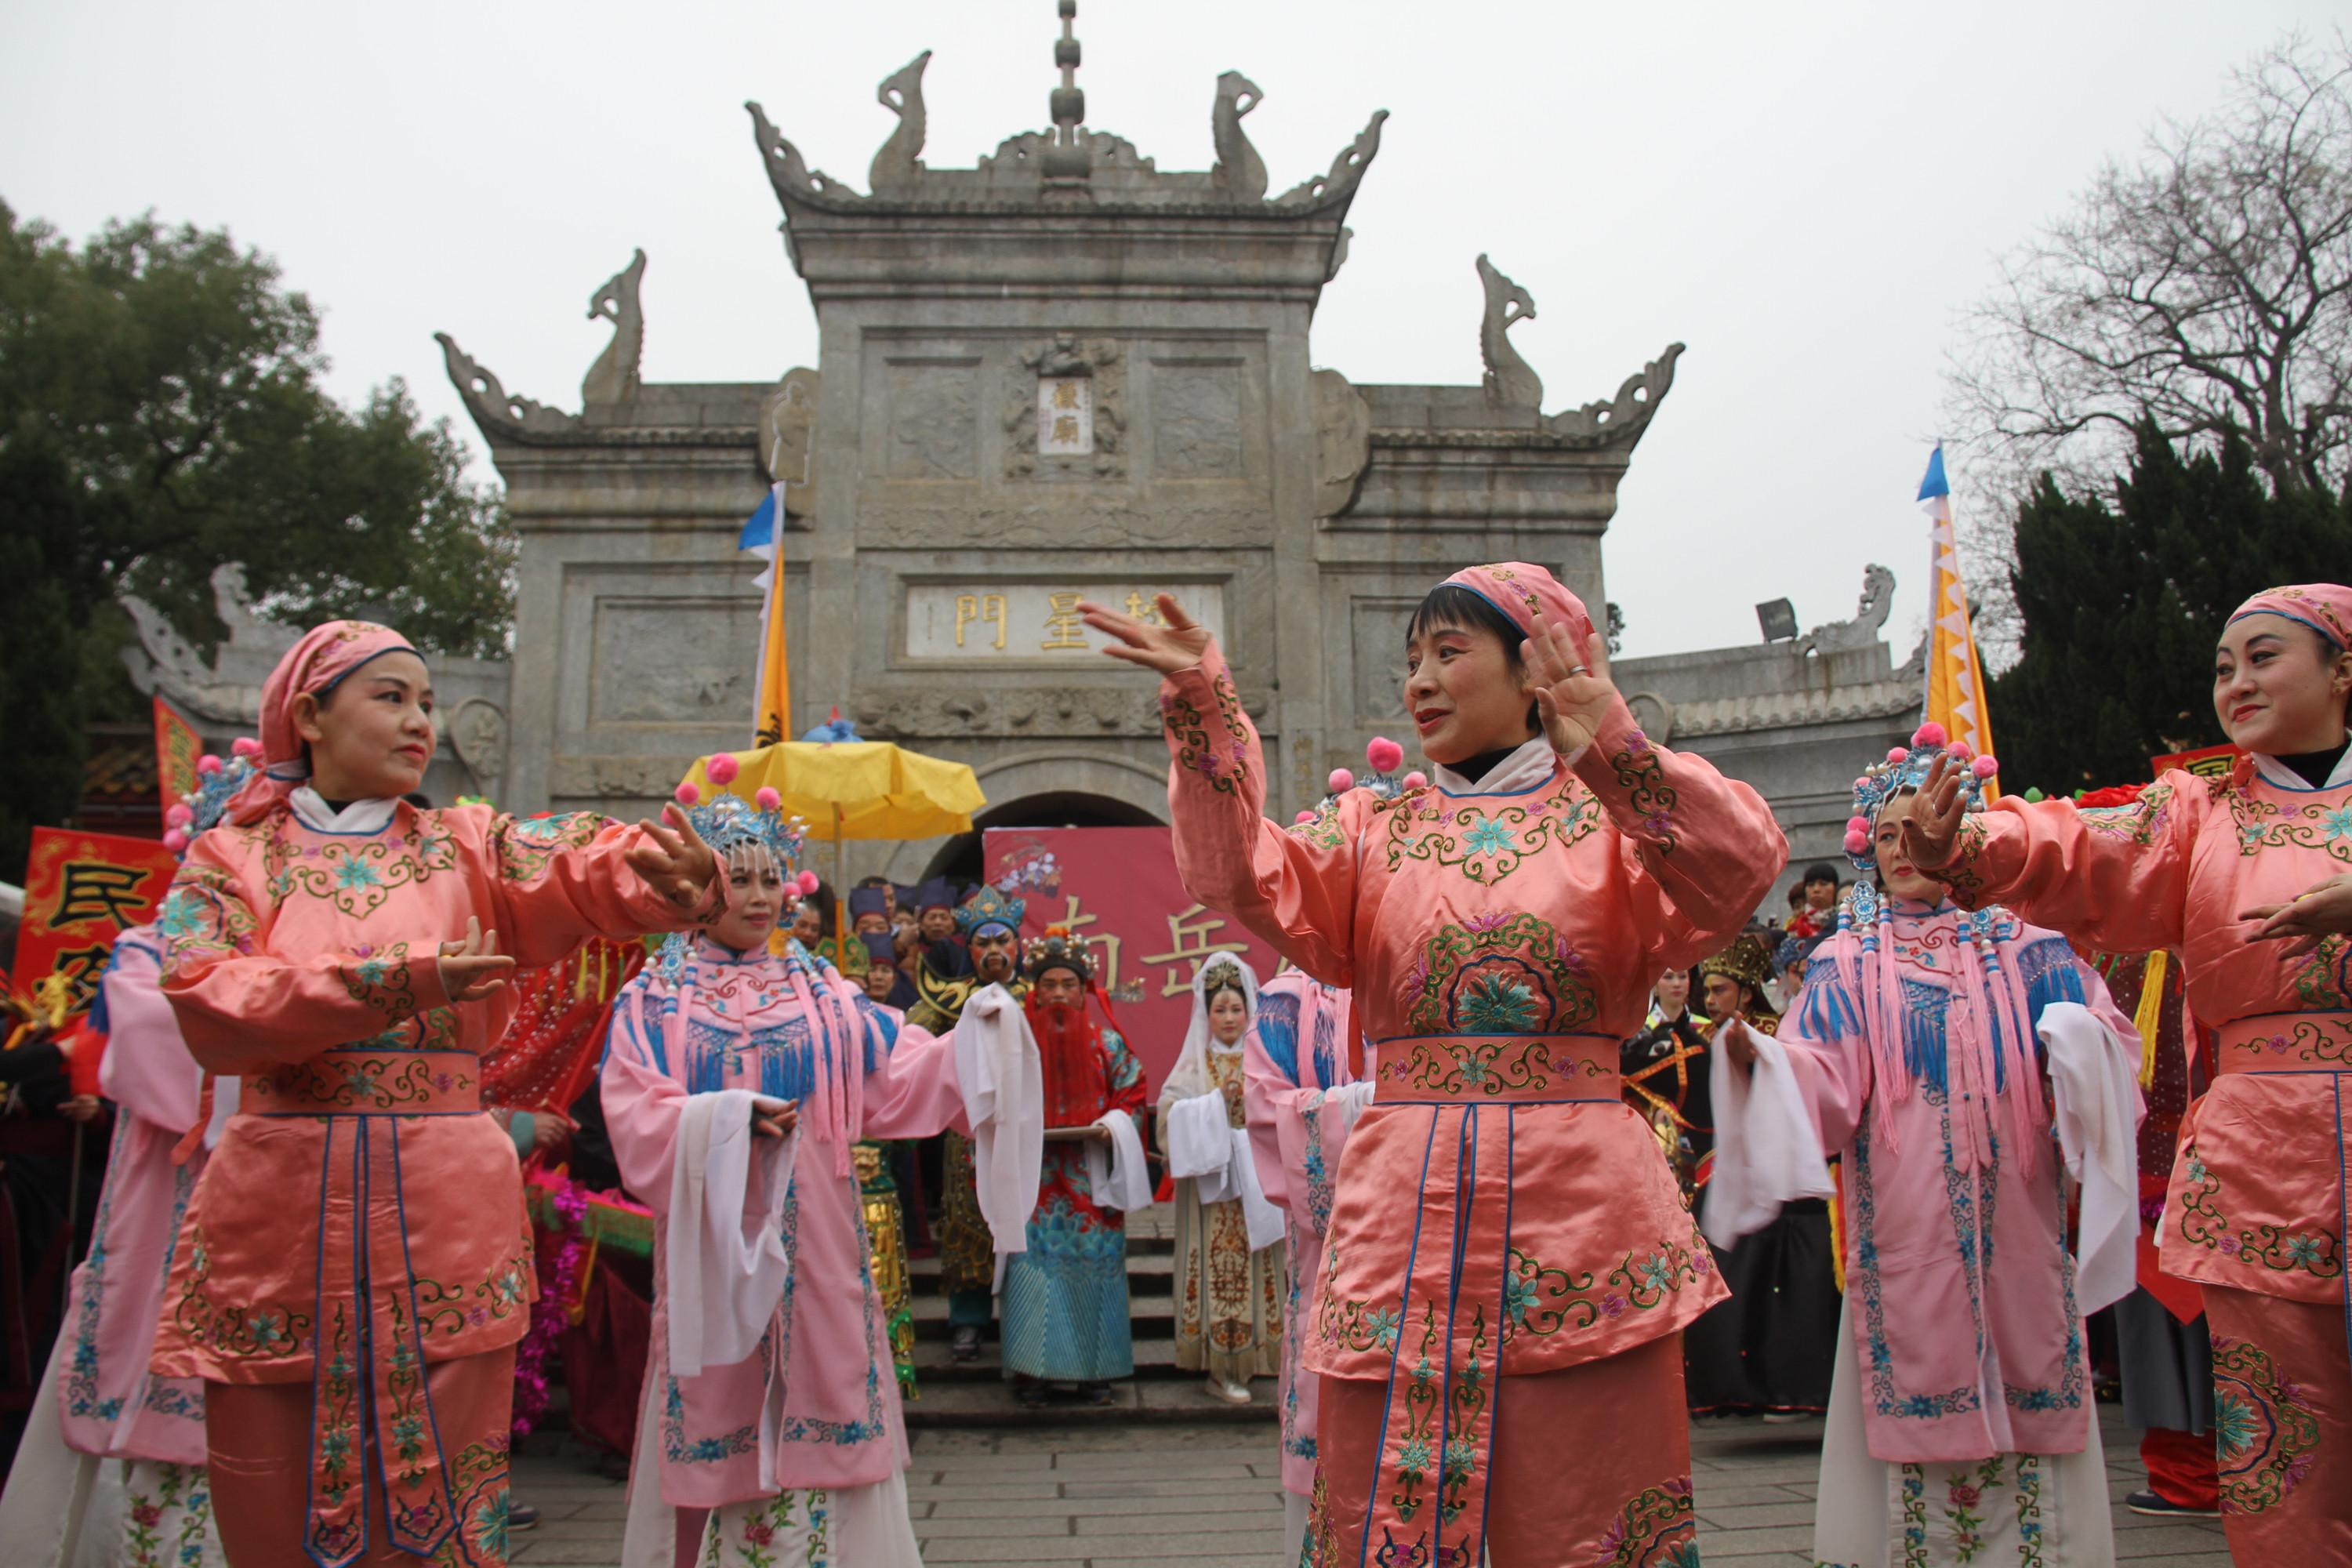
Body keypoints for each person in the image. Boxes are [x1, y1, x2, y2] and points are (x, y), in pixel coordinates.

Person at [1080, 563, 1785, 1565]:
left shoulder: (1613, 823)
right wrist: (1205, 710)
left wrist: (1615, 745)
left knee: (1590, 1507)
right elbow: (1238, 871)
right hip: (1405, 1212)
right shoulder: (1374, 828)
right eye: (1412, 659)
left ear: (1539, 667)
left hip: (1578, 1214)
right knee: (1384, 1504)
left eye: (1450, 653)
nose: (1419, 681)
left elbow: (1741, 868)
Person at [146, 619, 725, 1568]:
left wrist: (656, 880)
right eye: (391, 697)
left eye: (426, 699)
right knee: (265, 1463)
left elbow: (575, 863)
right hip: (278, 1201)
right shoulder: (230, 859)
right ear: (310, 715)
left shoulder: (467, 843)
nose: (421, 721)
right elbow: (209, 999)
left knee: (450, 1469)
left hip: (442, 1195)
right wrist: (398, 980)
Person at [1899, 583, 2352, 1559]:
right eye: (2225, 666)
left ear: (2344, 669)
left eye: (2264, 657)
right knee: (2283, 1442)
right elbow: (2077, 845)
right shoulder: (2202, 811)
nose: (2237, 682)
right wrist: (1966, 840)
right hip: (2266, 1160)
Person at [1710, 726, 2144, 1566]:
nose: (1905, 847)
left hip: (2020, 1234)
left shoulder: (2036, 951)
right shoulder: (1845, 963)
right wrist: (1764, 1062)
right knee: (1909, 1380)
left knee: (2035, 1389)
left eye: (1926, 826)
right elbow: (1824, 1089)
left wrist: (2081, 1045)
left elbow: (2112, 1058)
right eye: (1889, 831)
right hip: (1907, 1241)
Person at [600, 783, 1024, 1568]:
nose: (762, 895)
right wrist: (723, 1121)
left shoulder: (822, 991)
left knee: (826, 1397)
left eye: (772, 877)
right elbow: (634, 1111)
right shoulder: (654, 997)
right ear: (695, 885)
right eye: (738, 876)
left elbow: (896, 1074)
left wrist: (976, 1040)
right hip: (713, 1251)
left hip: (820, 1249)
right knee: (717, 1396)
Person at [0, 747, 259, 1567]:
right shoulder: (149, 953)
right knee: (164, 1472)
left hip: (292, 1239)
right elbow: (157, 1055)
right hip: (176, 1243)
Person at [1679, 933, 1839, 1420]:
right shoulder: (1710, 1036)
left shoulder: (1778, 1033)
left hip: (1781, 1172)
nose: (1711, 1000)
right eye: (1706, 992)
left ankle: (1790, 1386)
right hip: (1734, 1167)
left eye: (1721, 990)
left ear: (1746, 992)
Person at [1241, 968, 1369, 1563]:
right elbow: (1264, 1106)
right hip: (1329, 1253)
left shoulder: (1426, 959)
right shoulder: (1288, 998)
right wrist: (1367, 1111)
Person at [2093, 946, 2222, 1519]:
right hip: (2198, 1160)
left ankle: (2187, 1475)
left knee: (2164, 1334)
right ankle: (2191, 1471)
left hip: (2158, 1160)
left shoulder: (2116, 954)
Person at [998, 927, 1150, 1408]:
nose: (1059, 993)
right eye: (1050, 984)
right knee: (1032, 1271)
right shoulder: (1015, 1047)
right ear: (1035, 991)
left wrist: (1110, 1126)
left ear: (1084, 990)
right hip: (1035, 1184)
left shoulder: (1107, 1045)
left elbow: (1134, 1092)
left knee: (1096, 1268)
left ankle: (1095, 1371)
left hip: (1090, 1180)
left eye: (1069, 984)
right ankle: (1032, 1373)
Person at [1160, 956, 1286, 1406]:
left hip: (1255, 1184)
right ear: (1205, 1015)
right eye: (1220, 1010)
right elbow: (1167, 1117)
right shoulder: (1194, 1066)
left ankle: (1254, 1360)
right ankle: (1219, 1366)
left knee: (1258, 1269)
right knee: (1212, 1272)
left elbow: (1284, 1109)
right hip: (1210, 1194)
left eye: (1236, 1009)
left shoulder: (1265, 1062)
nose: (1229, 1018)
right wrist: (1215, 1104)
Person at [909, 885, 1028, 1363]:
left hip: (1026, 1129)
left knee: (1025, 1219)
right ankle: (968, 1318)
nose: (995, 951)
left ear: (1018, 945)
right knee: (967, 1221)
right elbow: (910, 1044)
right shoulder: (948, 1001)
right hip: (968, 1133)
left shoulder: (1042, 993)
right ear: (969, 948)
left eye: (1004, 941)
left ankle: (1024, 1314)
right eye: (984, 942)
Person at [1622, 965, 1713, 1204]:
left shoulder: (1706, 1028)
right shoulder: (1638, 1031)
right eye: (1668, 977)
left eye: (1682, 977)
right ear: (1655, 984)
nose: (1676, 984)